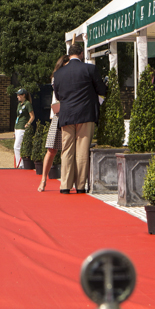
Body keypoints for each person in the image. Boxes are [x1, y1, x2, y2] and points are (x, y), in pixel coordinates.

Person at [53, 42, 107, 195]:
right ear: (81, 54)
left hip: (66, 115)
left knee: (67, 150)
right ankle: (80, 186)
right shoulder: (90, 69)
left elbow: (58, 96)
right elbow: (101, 89)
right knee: (82, 151)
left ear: (69, 54)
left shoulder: (58, 74)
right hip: (85, 114)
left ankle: (65, 185)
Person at [38, 56, 68, 192]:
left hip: (69, 114)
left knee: (67, 150)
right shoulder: (56, 78)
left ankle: (66, 180)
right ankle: (43, 179)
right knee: (51, 149)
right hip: (58, 114)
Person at [13, 88, 35, 168]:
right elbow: (17, 117)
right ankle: (19, 164)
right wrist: (14, 129)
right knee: (17, 146)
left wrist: (28, 123)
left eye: (19, 95)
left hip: (22, 127)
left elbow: (32, 116)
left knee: (16, 146)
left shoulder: (27, 104)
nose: (17, 96)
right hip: (17, 127)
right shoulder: (19, 104)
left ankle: (21, 165)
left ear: (24, 95)